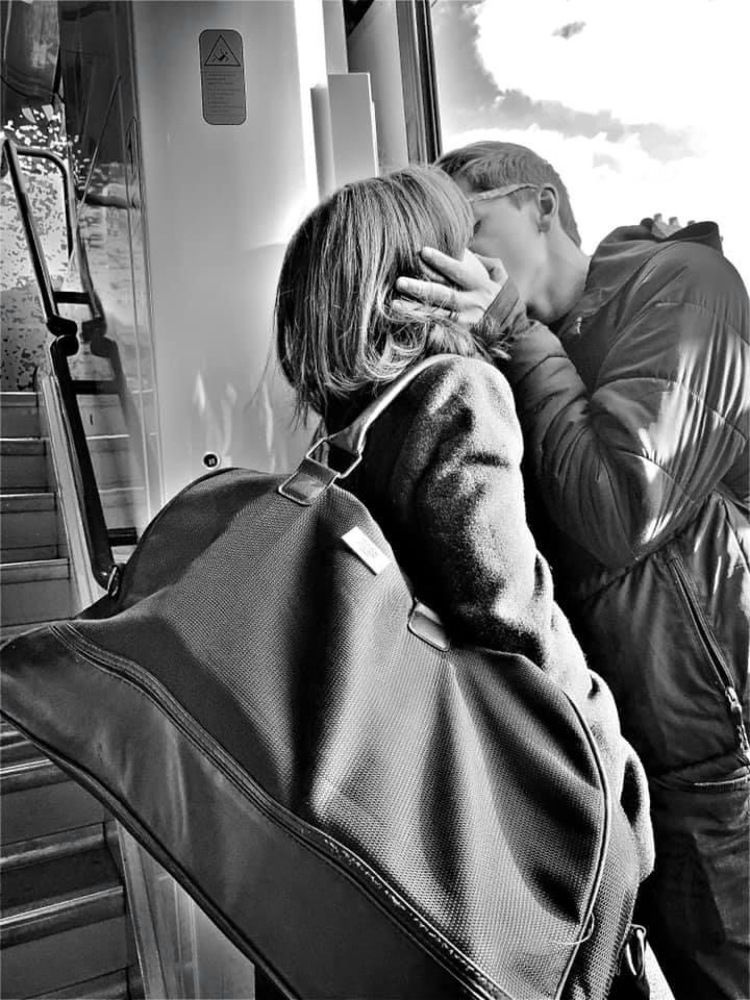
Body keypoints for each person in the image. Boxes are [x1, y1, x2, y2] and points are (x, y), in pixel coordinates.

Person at [276, 164, 654, 998]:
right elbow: (516, 629)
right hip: (499, 847)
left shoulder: (338, 446)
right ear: (425, 283)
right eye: (462, 246)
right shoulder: (459, 392)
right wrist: (619, 774)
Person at [395, 141, 750, 1000]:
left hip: (720, 757)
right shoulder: (517, 354)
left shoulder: (687, 284)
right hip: (630, 766)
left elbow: (622, 505)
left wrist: (513, 332)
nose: (457, 261)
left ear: (541, 206)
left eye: (470, 227)